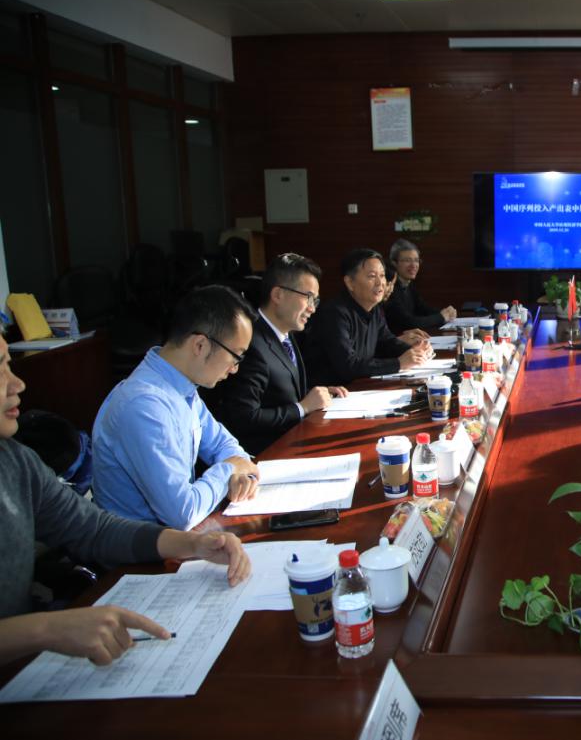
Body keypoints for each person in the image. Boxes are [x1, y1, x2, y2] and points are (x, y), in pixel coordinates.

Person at [0, 331, 250, 667]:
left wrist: (192, 544)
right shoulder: (142, 401)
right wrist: (44, 629)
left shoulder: (15, 460)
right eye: (0, 369)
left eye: (9, 365)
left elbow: (93, 528)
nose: (17, 384)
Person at [93, 286, 260, 530]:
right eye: (236, 356)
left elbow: (225, 445)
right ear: (200, 345)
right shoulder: (144, 405)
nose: (235, 369)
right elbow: (183, 513)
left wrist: (239, 473)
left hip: (176, 539)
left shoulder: (182, 387)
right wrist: (229, 470)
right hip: (141, 549)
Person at [205, 253, 349, 456]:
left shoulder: (285, 334)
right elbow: (243, 417)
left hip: (294, 443)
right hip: (266, 455)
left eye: (315, 300)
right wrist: (302, 407)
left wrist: (316, 394)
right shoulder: (249, 342)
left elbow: (277, 392)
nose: (312, 308)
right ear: (278, 295)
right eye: (307, 297)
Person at [304, 248, 432, 386]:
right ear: (350, 283)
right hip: (333, 393)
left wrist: (415, 351)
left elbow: (387, 342)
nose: (380, 282)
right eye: (372, 276)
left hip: (359, 387)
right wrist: (398, 363)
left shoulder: (374, 308)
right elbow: (348, 366)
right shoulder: (334, 313)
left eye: (382, 275)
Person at [384, 238, 456, 333]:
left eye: (416, 260)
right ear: (394, 263)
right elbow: (409, 323)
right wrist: (441, 317)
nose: (413, 265)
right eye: (407, 260)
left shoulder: (408, 284)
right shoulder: (389, 289)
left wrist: (446, 312)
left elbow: (423, 309)